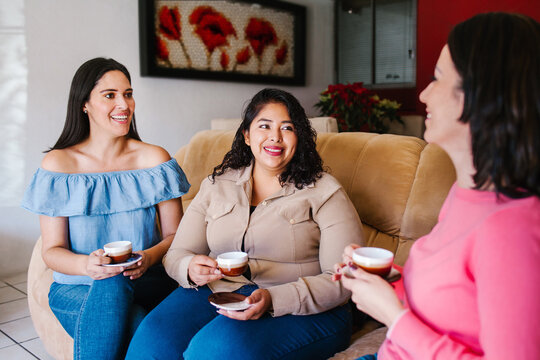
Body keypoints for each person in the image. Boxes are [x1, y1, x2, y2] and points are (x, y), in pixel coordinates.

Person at [334, 12, 540, 359]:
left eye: (438, 78)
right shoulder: (464, 194)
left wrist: (392, 317)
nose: (425, 93)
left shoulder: (512, 229)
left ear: (482, 96)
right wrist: (384, 281)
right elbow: (453, 300)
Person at [125, 88, 365, 359]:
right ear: (247, 135)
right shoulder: (217, 185)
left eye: (287, 128)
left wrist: (274, 299)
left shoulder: (324, 192)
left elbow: (343, 279)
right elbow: (177, 254)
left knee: (212, 350)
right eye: (264, 126)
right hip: (221, 291)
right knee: (152, 341)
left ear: (299, 138)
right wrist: (189, 268)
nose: (275, 136)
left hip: (302, 305)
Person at [21, 57, 190, 360]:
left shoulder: (155, 160)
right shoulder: (58, 165)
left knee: (120, 289)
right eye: (110, 95)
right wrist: (89, 266)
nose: (124, 104)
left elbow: (176, 234)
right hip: (77, 288)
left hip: (147, 281)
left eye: (128, 93)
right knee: (129, 311)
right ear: (84, 103)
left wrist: (147, 256)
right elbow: (53, 251)